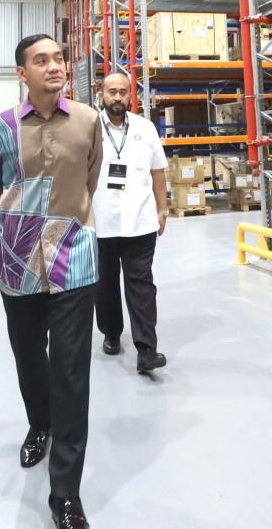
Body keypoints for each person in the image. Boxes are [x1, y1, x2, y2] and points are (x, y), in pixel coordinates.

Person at [0, 34, 102, 529]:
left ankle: (65, 496)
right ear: (22, 73)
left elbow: (88, 179)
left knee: (72, 371)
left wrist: (64, 218)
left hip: (74, 253)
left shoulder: (88, 121)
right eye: (41, 60)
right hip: (18, 259)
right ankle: (39, 423)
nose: (54, 66)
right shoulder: (0, 126)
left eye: (58, 58)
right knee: (30, 356)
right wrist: (24, 225)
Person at [92, 73, 169, 373]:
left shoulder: (145, 128)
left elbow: (158, 172)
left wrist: (162, 210)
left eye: (123, 92)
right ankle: (111, 333)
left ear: (130, 96)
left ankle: (147, 349)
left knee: (141, 284)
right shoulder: (89, 128)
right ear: (101, 94)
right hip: (101, 221)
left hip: (140, 221)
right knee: (105, 284)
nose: (118, 98)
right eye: (112, 91)